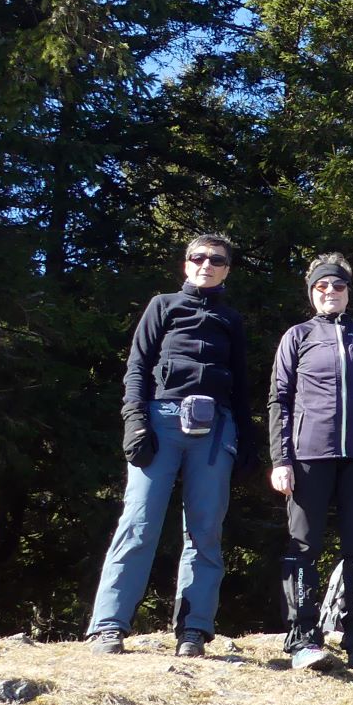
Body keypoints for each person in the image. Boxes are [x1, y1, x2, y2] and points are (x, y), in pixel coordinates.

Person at [86, 234, 256, 658]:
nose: (206, 264)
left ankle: (194, 631)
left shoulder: (231, 319)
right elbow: (137, 367)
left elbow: (242, 384)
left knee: (204, 530)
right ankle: (108, 625)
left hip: (216, 427)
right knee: (139, 522)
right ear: (186, 264)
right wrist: (135, 422)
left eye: (216, 260)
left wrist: (248, 440)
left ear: (226, 269)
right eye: (198, 257)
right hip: (160, 422)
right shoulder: (162, 305)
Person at [268, 254, 353, 677]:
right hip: (308, 457)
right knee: (303, 546)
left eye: (338, 287)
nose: (330, 293)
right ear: (312, 292)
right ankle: (303, 639)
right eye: (322, 287)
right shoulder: (298, 336)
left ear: (348, 292)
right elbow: (280, 400)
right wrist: (280, 459)